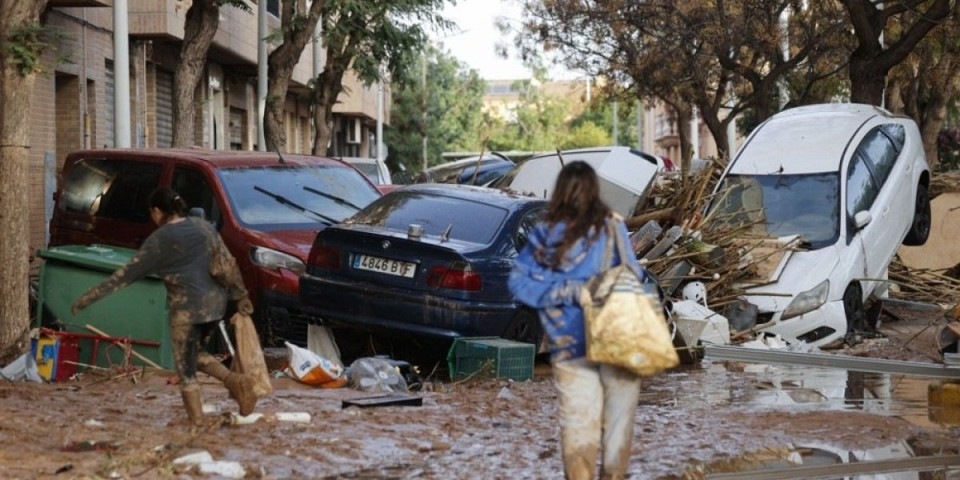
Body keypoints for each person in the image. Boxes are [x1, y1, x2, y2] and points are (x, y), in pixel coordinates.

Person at [71, 187, 258, 427]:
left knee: (185, 369)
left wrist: (87, 298)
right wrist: (241, 295)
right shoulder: (203, 227)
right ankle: (235, 382)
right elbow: (227, 264)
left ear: (158, 211)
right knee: (196, 355)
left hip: (187, 311)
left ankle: (198, 422)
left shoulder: (159, 240)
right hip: (215, 305)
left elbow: (125, 275)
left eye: (152, 213)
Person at [508, 161, 644, 480]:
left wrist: (557, 291)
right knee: (617, 426)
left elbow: (520, 284)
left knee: (579, 426)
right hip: (616, 343)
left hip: (570, 346)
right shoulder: (612, 226)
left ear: (560, 192)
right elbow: (634, 274)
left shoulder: (546, 233)